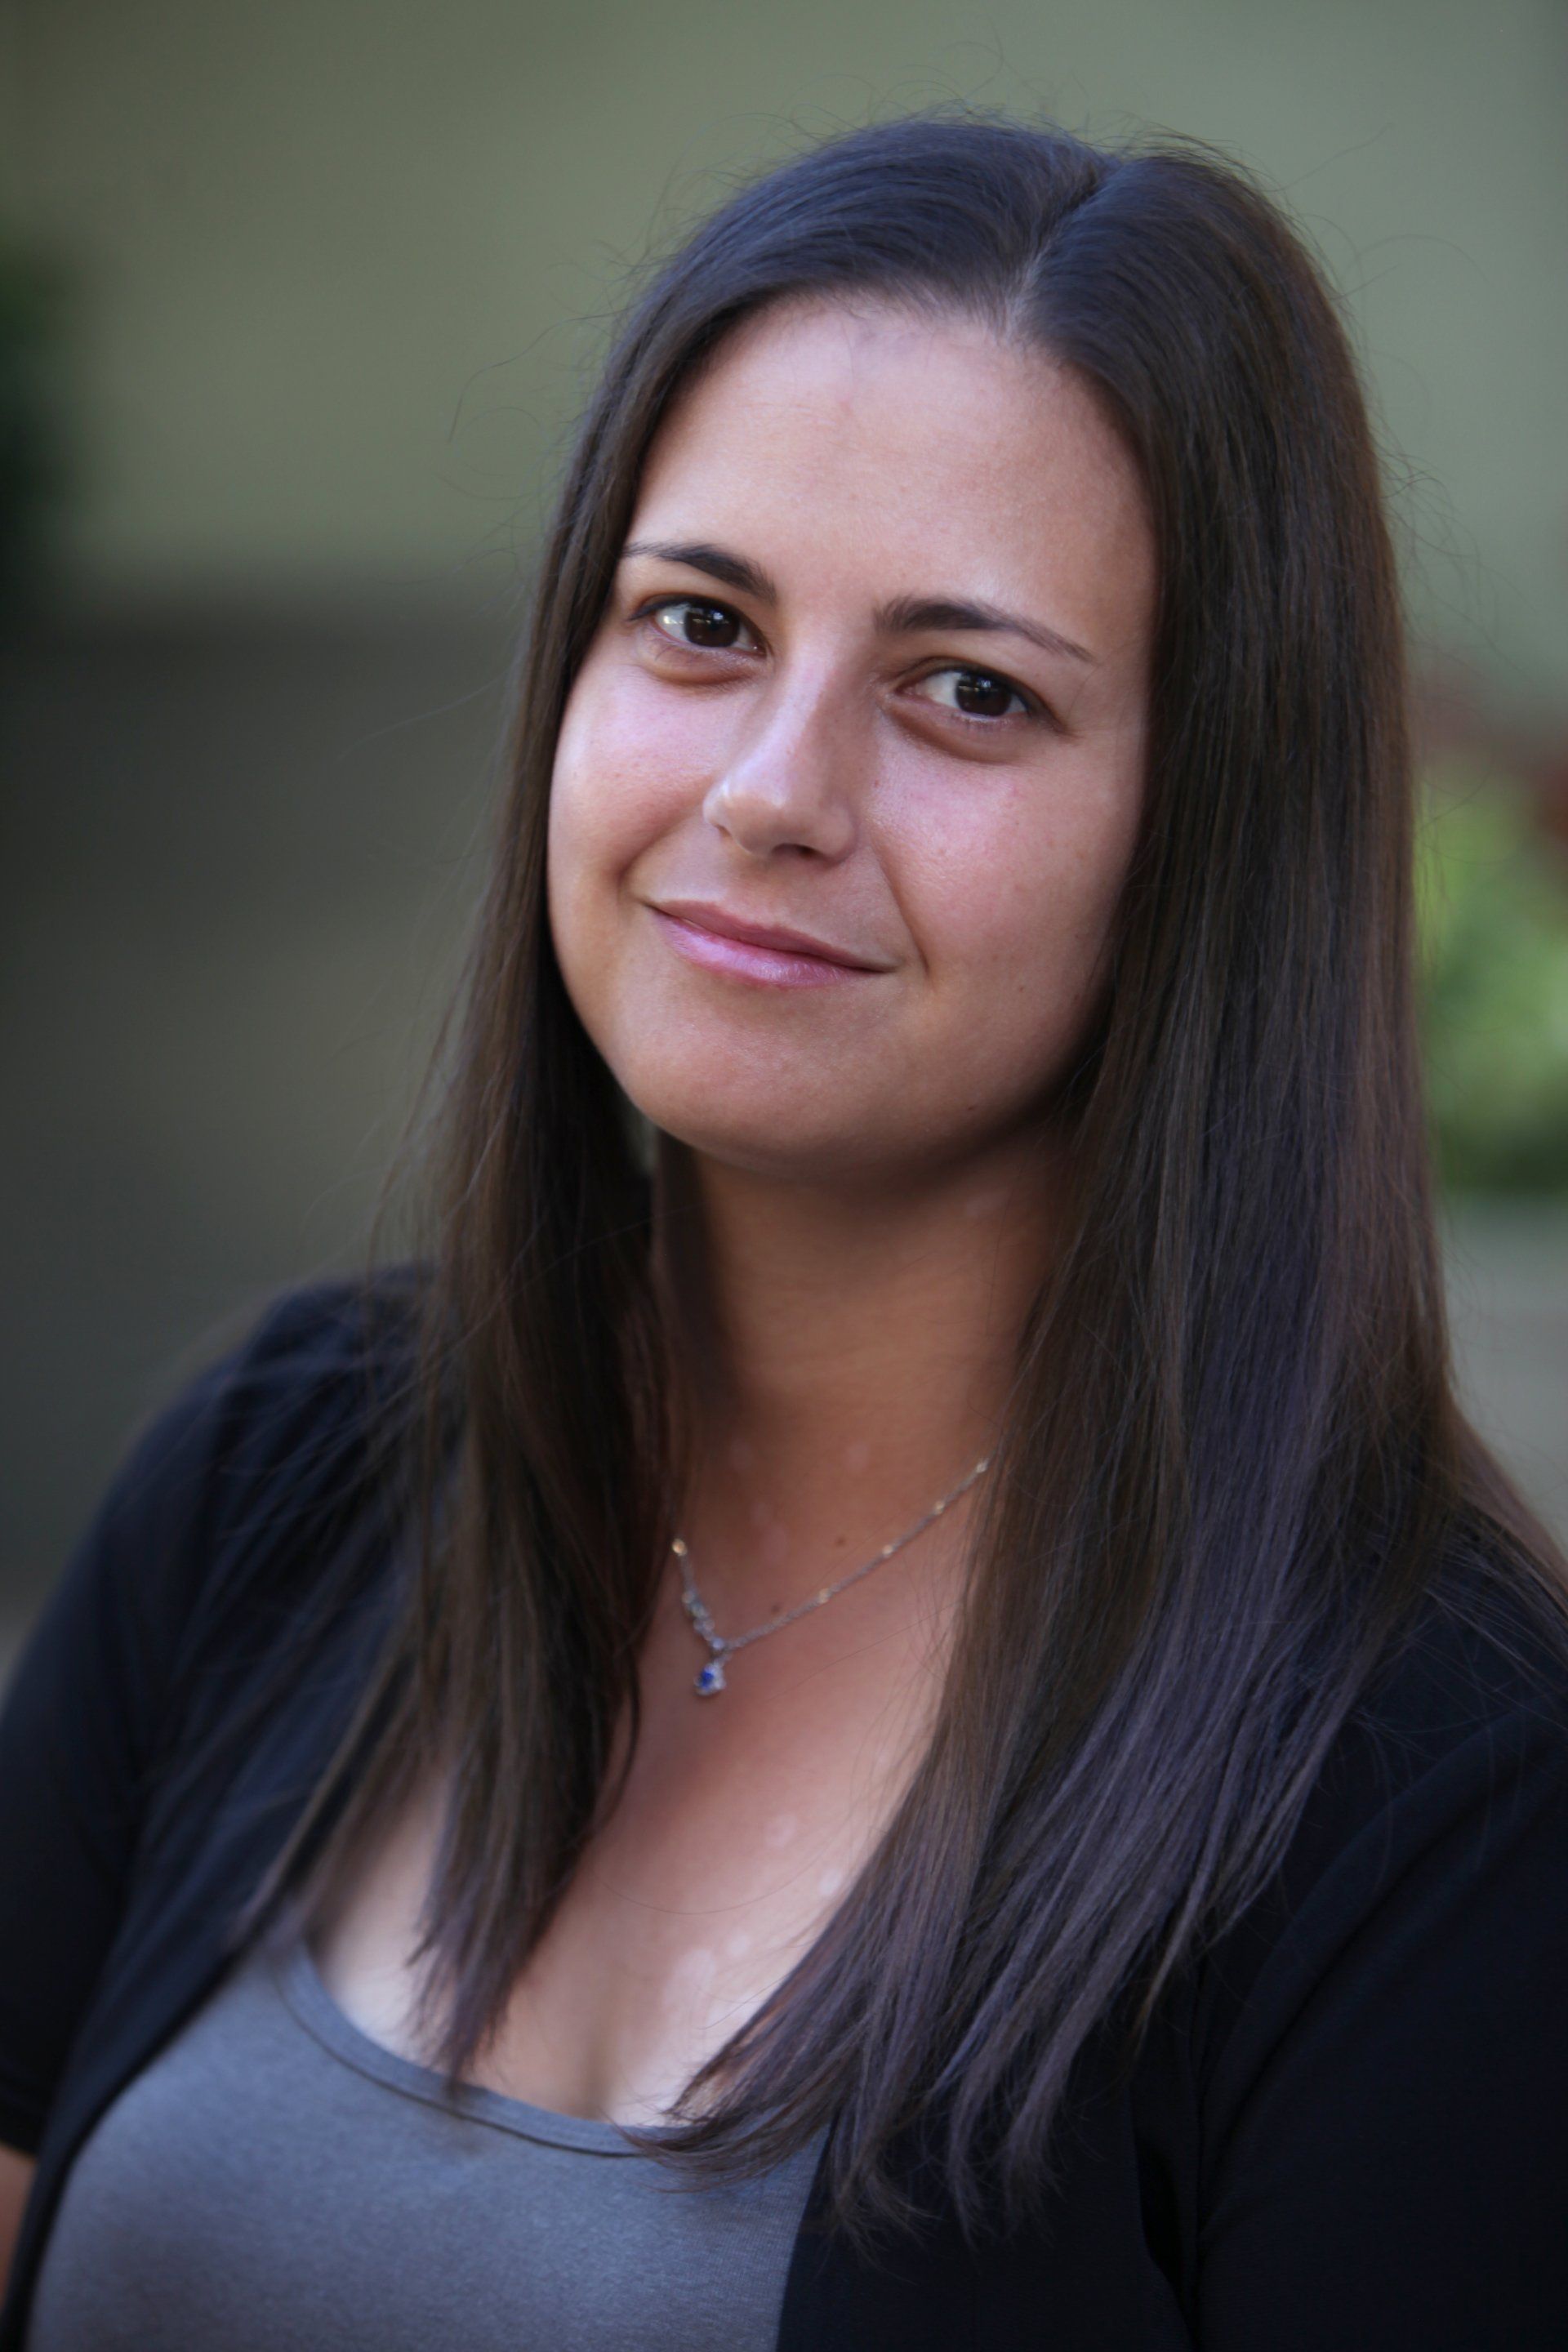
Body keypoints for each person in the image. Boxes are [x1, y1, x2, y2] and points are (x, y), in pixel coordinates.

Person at [2, 109, 1566, 2351]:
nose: (770, 792)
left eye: (971, 690)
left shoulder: (1435, 1801)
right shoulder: (287, 1472)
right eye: (702, 624)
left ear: (1209, 831)